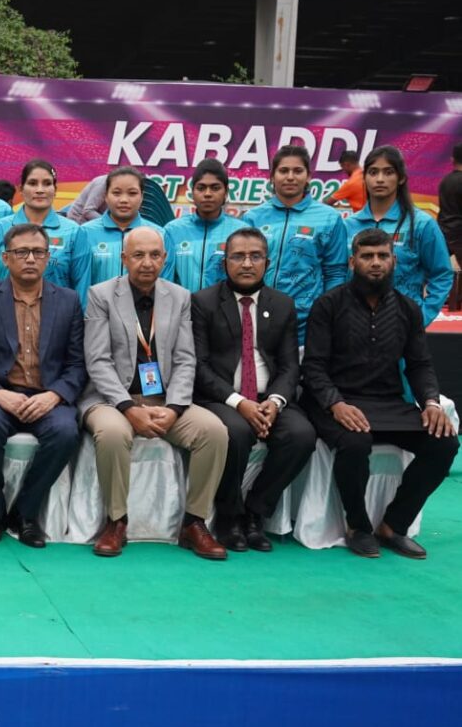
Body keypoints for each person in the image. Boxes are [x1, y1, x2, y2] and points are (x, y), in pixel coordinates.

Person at [301, 228, 458, 558]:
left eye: (382, 256)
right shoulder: (328, 305)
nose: (375, 263)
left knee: (444, 443)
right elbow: (313, 367)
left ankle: (393, 525)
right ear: (352, 262)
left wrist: (430, 402)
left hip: (387, 403)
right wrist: (336, 403)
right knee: (355, 442)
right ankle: (358, 526)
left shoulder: (408, 309)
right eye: (367, 256)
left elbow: (419, 364)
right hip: (333, 403)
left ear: (393, 261)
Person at [80, 228, 229, 560]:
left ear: (164, 258)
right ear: (124, 259)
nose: (147, 263)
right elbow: (98, 360)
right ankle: (116, 521)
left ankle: (194, 522)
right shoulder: (101, 295)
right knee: (113, 433)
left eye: (154, 255)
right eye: (138, 255)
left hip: (164, 400)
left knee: (214, 431)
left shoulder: (180, 297)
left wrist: (174, 408)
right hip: (111, 399)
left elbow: (186, 359)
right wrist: (127, 407)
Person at [191, 228, 316, 552]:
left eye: (255, 256)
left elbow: (290, 366)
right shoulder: (203, 302)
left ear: (267, 263)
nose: (247, 264)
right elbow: (199, 367)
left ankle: (255, 512)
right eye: (238, 256)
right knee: (236, 432)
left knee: (301, 435)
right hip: (222, 397)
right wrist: (239, 403)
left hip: (268, 398)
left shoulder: (283, 305)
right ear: (225, 263)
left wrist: (275, 401)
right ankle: (228, 517)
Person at [0, 223, 86, 548]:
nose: (30, 259)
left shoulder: (69, 301)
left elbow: (77, 364)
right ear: (5, 258)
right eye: (21, 252)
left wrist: (54, 395)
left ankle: (25, 513)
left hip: (47, 396)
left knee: (65, 432)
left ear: (48, 257)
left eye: (38, 252)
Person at [242, 145, 348, 344]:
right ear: (272, 177)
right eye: (283, 171)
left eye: (298, 171)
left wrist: (326, 313)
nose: (290, 177)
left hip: (307, 325)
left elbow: (335, 273)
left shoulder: (329, 219)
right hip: (257, 319)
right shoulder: (253, 218)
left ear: (308, 176)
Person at [345, 145, 453, 327]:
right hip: (354, 327)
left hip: (402, 327)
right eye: (373, 172)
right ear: (365, 178)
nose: (380, 179)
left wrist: (422, 317)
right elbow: (337, 274)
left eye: (388, 172)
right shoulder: (347, 225)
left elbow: (441, 274)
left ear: (401, 178)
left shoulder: (421, 224)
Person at [0, 159, 91, 307]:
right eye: (32, 183)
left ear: (55, 190)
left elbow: (82, 288)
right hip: (4, 316)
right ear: (21, 188)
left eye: (47, 183)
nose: (40, 190)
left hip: (58, 318)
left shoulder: (74, 232)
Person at [162, 159, 246, 292]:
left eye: (215, 188)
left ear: (226, 192)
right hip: (183, 305)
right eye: (201, 188)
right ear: (192, 192)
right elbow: (165, 280)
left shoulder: (241, 231)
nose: (207, 194)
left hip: (225, 305)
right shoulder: (172, 230)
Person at [77, 166, 163, 287]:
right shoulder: (85, 233)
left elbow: (164, 285)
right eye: (116, 193)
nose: (124, 200)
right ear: (105, 196)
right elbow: (80, 282)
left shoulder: (159, 235)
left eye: (132, 193)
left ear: (142, 197)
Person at [436, 143, 462, 310]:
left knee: (434, 271)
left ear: (452, 159)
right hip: (460, 234)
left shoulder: (444, 181)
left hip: (443, 232)